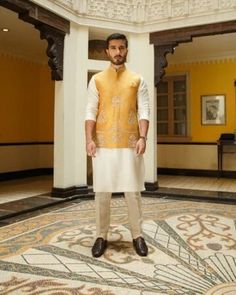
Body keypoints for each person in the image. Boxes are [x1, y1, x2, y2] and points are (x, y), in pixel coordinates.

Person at [85, 33, 150, 258]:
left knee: (133, 192)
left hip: (130, 143)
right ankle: (100, 235)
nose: (117, 52)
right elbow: (90, 111)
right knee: (102, 193)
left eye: (121, 48)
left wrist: (143, 137)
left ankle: (137, 235)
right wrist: (89, 139)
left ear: (127, 50)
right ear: (107, 51)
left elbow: (144, 110)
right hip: (103, 144)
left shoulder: (137, 80)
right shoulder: (97, 80)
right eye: (113, 48)